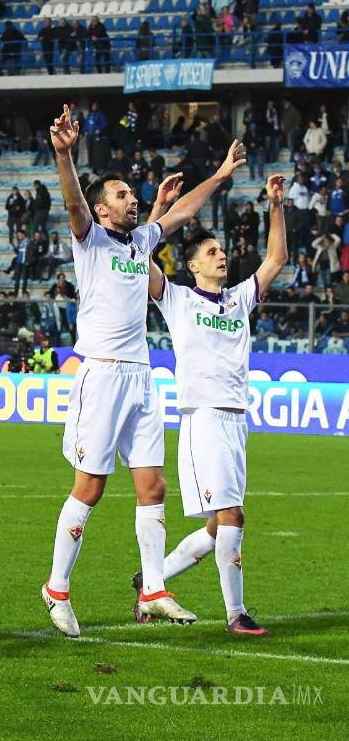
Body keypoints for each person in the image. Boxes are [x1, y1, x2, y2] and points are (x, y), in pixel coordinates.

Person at [40, 101, 247, 638]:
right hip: (102, 374)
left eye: (133, 194)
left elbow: (181, 213)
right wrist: (64, 155)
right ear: (102, 209)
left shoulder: (140, 242)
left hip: (142, 377)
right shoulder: (89, 239)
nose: (132, 199)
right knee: (89, 487)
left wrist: (221, 174)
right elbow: (73, 203)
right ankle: (56, 588)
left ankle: (154, 588)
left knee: (153, 487)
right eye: (121, 195)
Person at [141, 174, 288, 636]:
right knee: (232, 517)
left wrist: (276, 205)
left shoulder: (239, 300)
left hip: (236, 421)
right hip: (202, 418)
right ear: (192, 266)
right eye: (211, 252)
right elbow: (138, 258)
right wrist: (159, 211)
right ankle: (235, 614)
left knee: (214, 527)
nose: (221, 255)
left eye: (222, 250)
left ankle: (150, 584)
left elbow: (277, 259)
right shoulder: (178, 299)